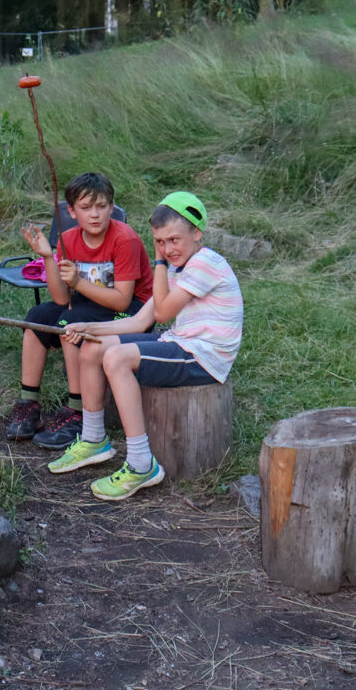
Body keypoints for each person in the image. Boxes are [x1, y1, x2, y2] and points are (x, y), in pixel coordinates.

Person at [52, 192, 243, 500]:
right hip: (181, 343)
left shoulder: (204, 263)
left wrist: (158, 262)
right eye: (160, 242)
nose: (168, 249)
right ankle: (93, 438)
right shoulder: (180, 267)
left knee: (116, 358)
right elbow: (140, 321)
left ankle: (141, 463)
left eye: (174, 240)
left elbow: (162, 314)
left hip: (204, 357)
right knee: (93, 348)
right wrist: (89, 328)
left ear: (197, 233)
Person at [7, 172, 154, 447]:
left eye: (101, 206)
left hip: (132, 313)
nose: (94, 215)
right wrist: (48, 257)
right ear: (72, 212)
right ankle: (29, 402)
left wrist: (78, 283)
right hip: (91, 304)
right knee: (37, 319)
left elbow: (122, 301)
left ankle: (77, 410)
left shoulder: (125, 239)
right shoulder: (68, 239)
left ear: (112, 207)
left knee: (69, 323)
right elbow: (62, 298)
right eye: (86, 208)